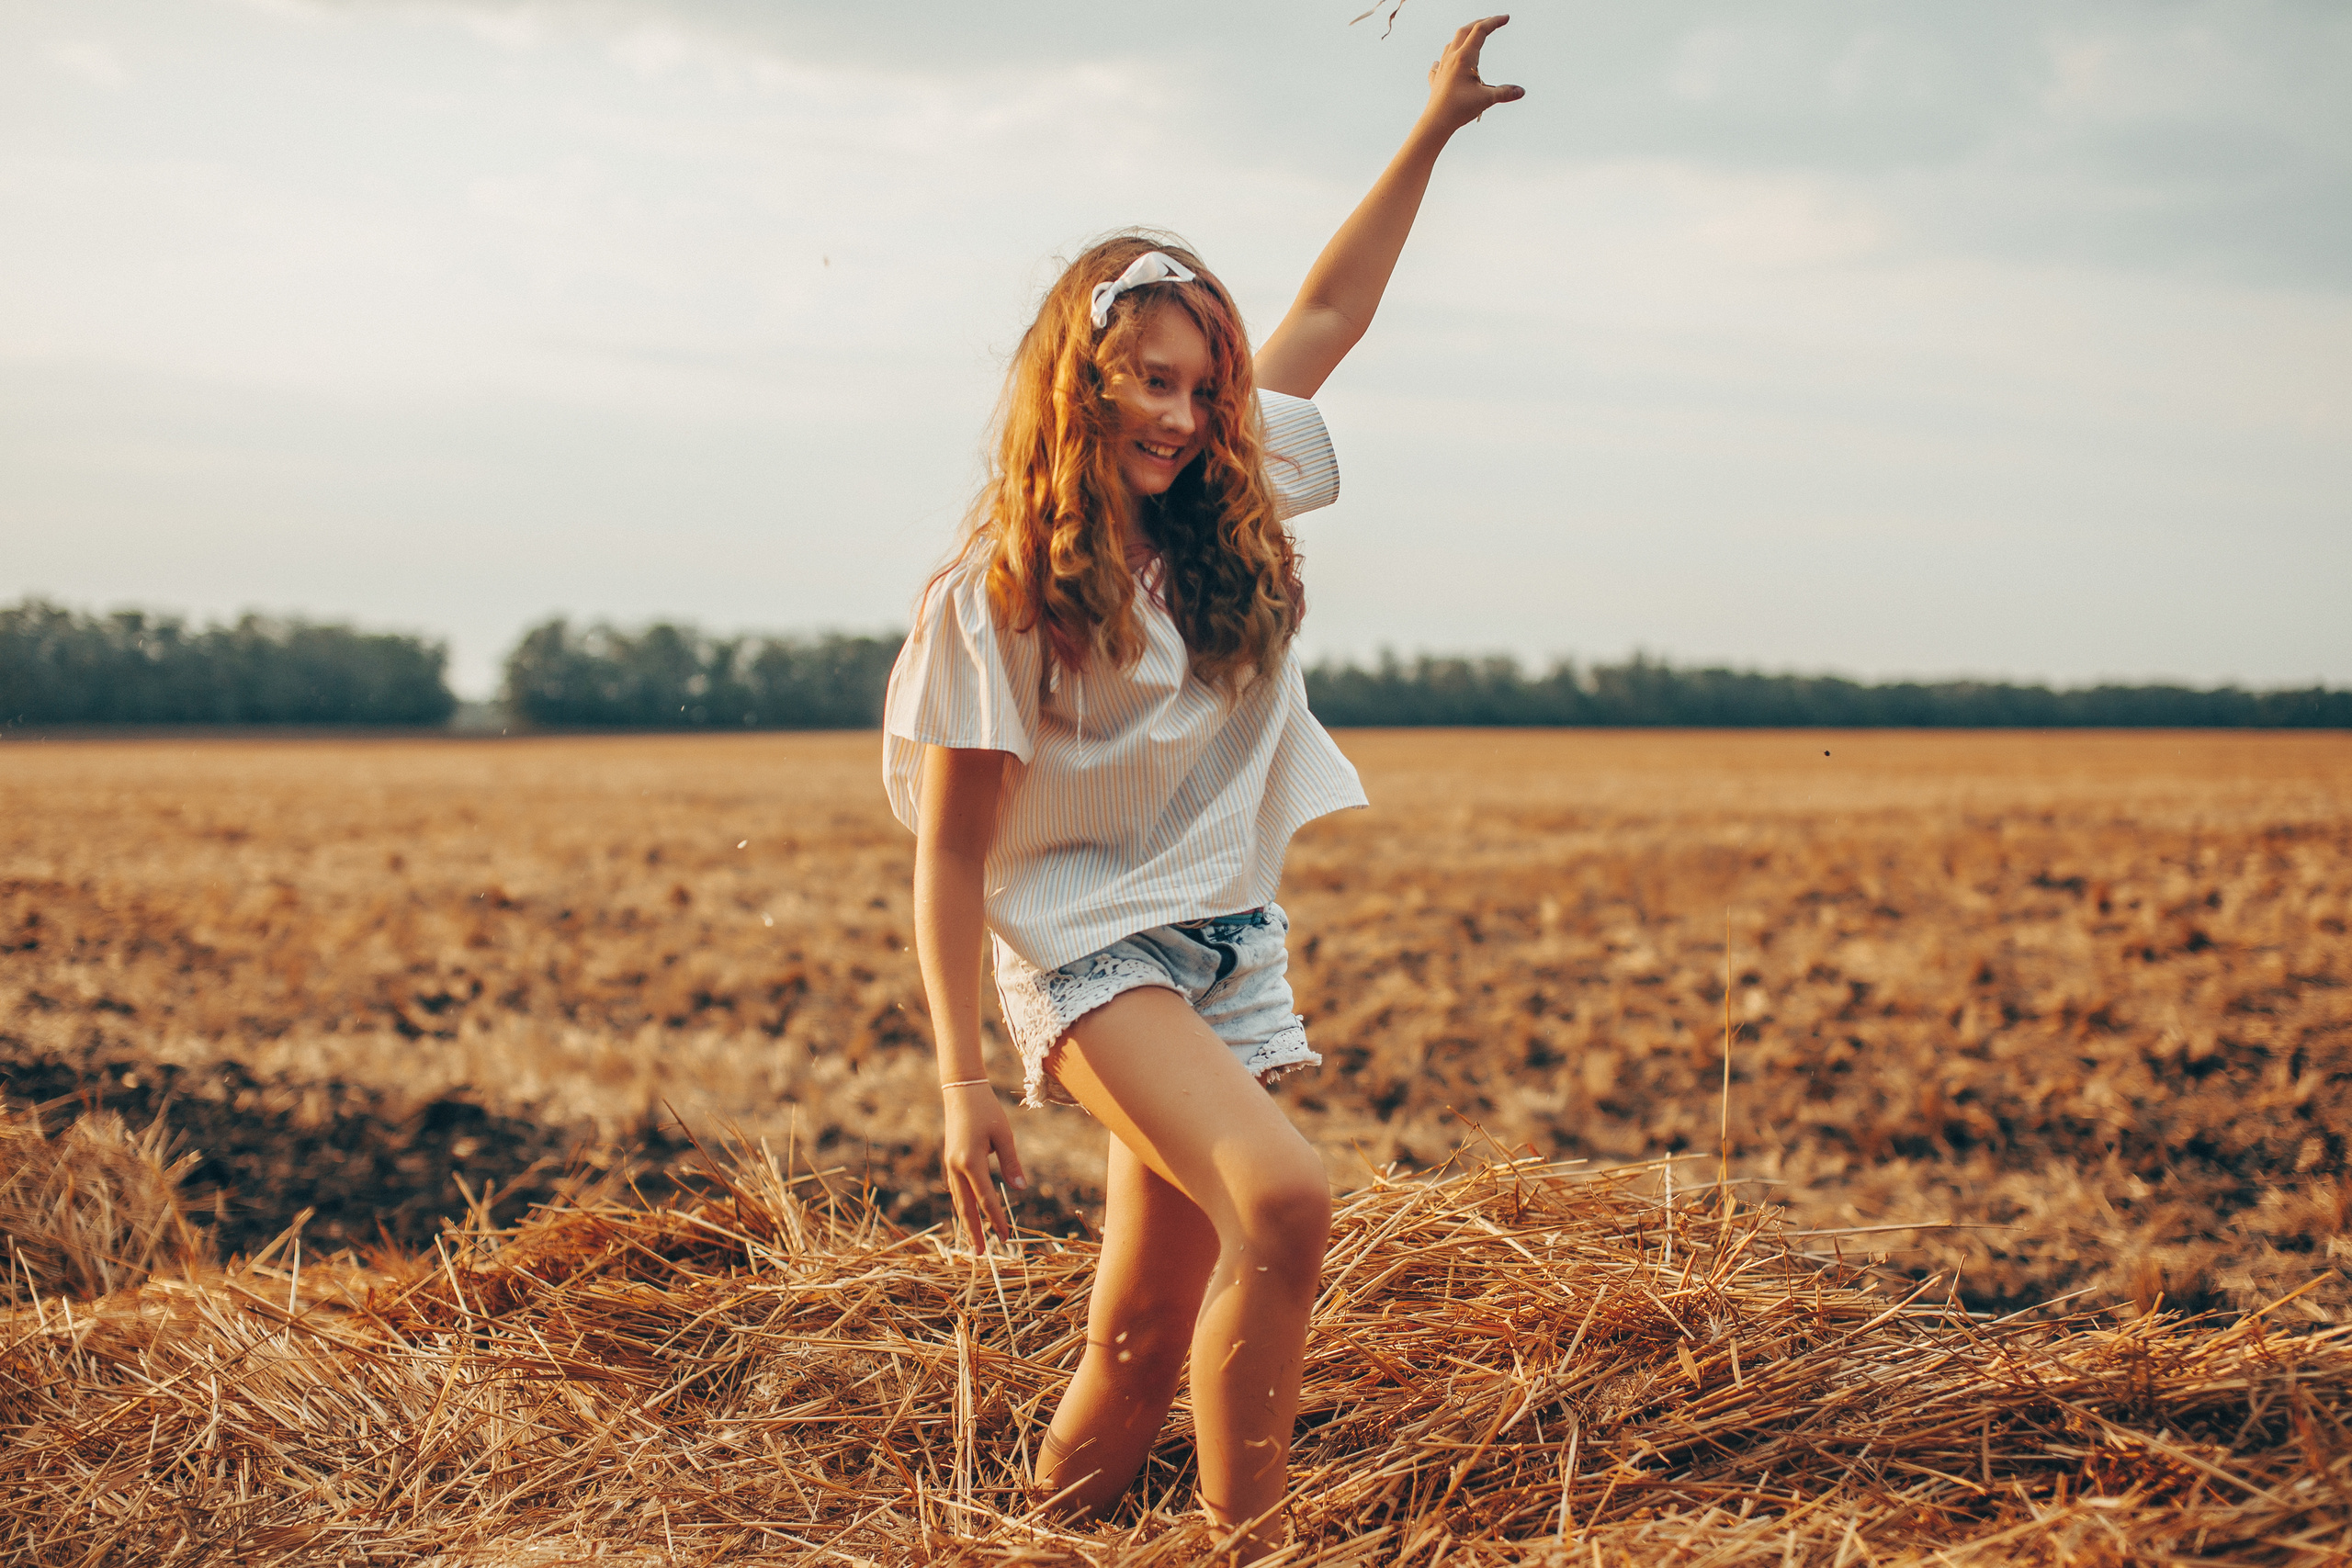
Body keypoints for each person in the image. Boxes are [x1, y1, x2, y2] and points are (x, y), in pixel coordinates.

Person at [882, 17, 1523, 1559]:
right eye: (1149, 382)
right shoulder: (1001, 594)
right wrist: (964, 1088)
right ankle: (1258, 1551)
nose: (1180, 416)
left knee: (1144, 1329)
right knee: (1287, 1204)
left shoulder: (1232, 497)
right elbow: (953, 859)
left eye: (1202, 387)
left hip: (1223, 946)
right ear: (1078, 382)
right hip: (1087, 954)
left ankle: (1034, 1542)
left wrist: (1433, 129)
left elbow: (1330, 308)